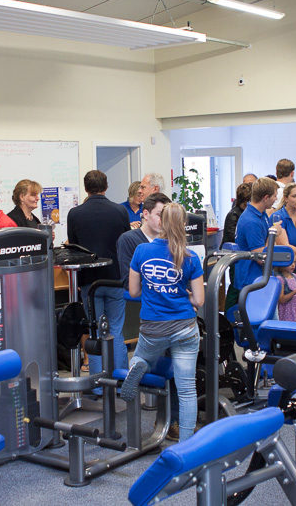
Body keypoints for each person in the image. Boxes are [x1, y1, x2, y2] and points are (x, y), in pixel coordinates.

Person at [121, 203, 204, 442]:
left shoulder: (142, 251)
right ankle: (186, 443)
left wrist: (153, 289)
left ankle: (139, 364)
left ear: (161, 222)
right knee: (187, 390)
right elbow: (199, 300)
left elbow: (133, 292)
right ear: (183, 225)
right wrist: (185, 294)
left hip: (153, 327)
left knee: (142, 356)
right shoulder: (190, 257)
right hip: (185, 327)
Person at [67, 170, 131, 381]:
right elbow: (124, 242)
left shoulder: (75, 214)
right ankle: (120, 380)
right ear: (106, 186)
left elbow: (73, 248)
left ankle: (95, 383)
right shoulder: (120, 211)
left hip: (89, 281)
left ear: (86, 188)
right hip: (115, 278)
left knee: (94, 331)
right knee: (116, 330)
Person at [233, 178, 288, 307]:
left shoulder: (261, 215)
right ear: (266, 197)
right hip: (252, 281)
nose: (276, 199)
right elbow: (261, 257)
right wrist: (273, 234)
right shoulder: (251, 221)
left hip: (262, 278)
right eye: (274, 196)